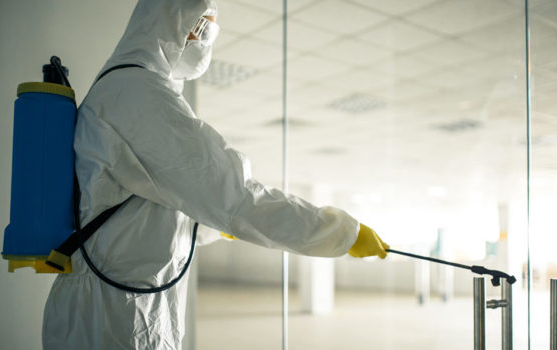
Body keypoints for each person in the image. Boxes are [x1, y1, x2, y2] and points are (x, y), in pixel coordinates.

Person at [42, 0, 389, 349]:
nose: (204, 40)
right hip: (110, 318)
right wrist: (344, 233)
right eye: (201, 26)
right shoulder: (138, 94)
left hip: (125, 306)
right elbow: (237, 198)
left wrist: (216, 227)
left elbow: (148, 210)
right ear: (169, 19)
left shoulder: (129, 89)